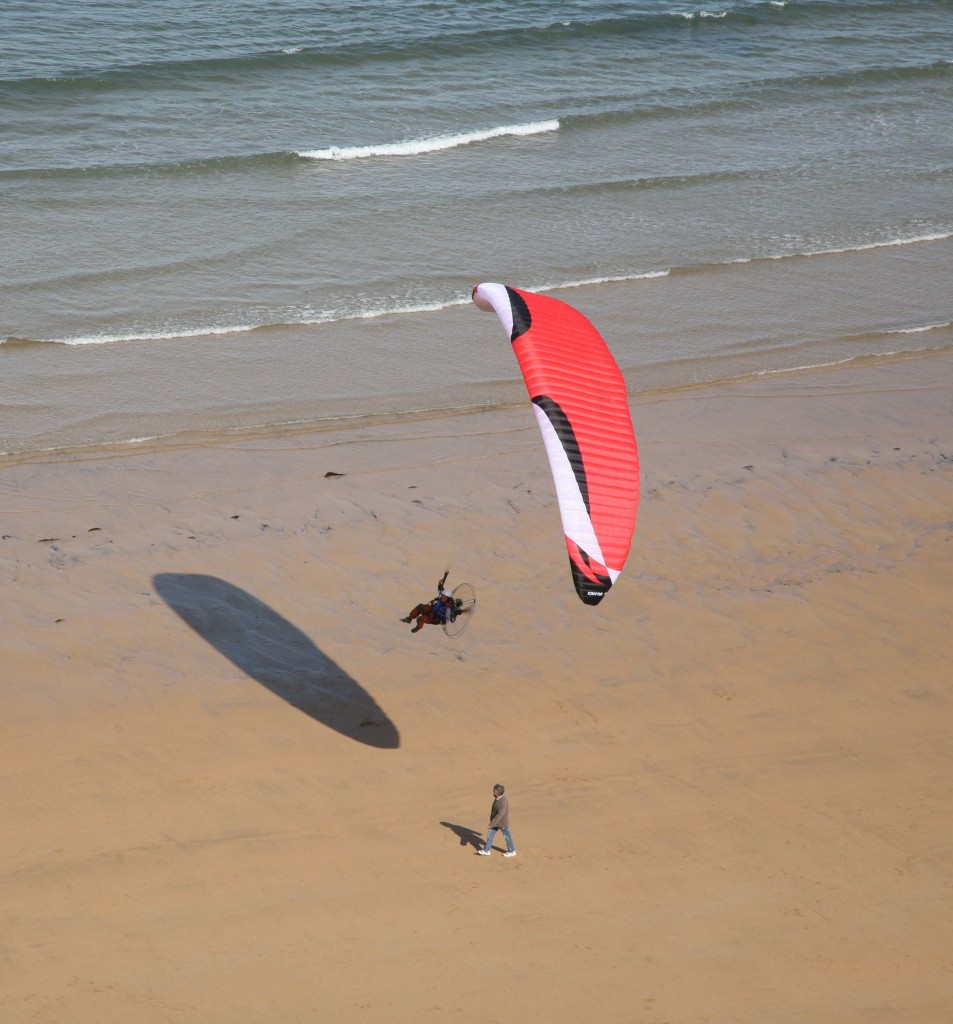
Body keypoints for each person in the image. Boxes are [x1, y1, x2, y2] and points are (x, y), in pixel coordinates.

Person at [478, 783, 516, 857]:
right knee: (490, 835)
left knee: (507, 837)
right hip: (496, 822)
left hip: (502, 823)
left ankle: (512, 851)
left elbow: (500, 815)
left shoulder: (503, 801)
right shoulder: (498, 798)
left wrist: (491, 824)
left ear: (498, 793)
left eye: (494, 791)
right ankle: (487, 850)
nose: (493, 792)